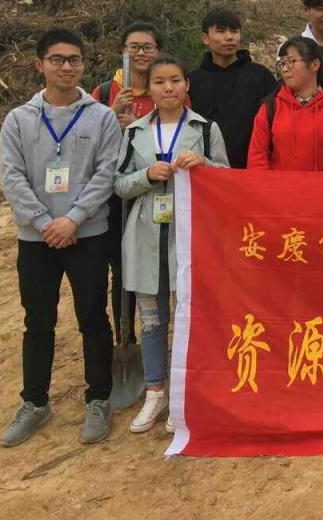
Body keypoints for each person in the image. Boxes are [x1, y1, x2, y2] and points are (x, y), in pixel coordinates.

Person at [0, 28, 122, 447]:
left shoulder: (101, 117)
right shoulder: (19, 119)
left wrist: (73, 219)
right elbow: (12, 177)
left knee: (93, 316)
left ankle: (99, 398)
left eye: (74, 59)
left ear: (83, 64)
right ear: (40, 65)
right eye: (57, 59)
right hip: (36, 239)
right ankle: (35, 402)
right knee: (38, 320)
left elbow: (106, 172)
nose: (66, 67)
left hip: (88, 234)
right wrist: (44, 222)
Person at [115, 56, 229, 433]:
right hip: (145, 234)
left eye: (175, 80)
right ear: (149, 89)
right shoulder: (135, 133)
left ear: (186, 85)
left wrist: (204, 165)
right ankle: (155, 391)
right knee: (151, 320)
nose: (168, 88)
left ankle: (186, 392)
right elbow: (119, 184)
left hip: (190, 235)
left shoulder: (206, 129)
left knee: (187, 316)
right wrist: (147, 175)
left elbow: (228, 178)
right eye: (160, 81)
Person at [91, 22, 167, 341]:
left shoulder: (166, 88)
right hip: (112, 189)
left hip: (152, 187)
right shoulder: (105, 91)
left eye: (147, 47)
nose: (140, 53)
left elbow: (178, 132)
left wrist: (138, 126)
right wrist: (112, 114)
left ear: (158, 51)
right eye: (133, 47)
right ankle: (126, 339)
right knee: (120, 268)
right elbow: (87, 137)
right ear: (123, 50)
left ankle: (155, 334)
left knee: (151, 263)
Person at [247, 35, 323, 171]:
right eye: (282, 63)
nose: (285, 69)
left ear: (314, 65)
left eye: (291, 61)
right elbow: (257, 158)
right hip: (278, 185)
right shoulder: (270, 107)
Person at [188, 7, 277, 169]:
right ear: (205, 38)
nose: (230, 37)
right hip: (204, 169)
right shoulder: (193, 80)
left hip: (251, 168)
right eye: (221, 31)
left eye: (235, 31)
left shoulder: (260, 76)